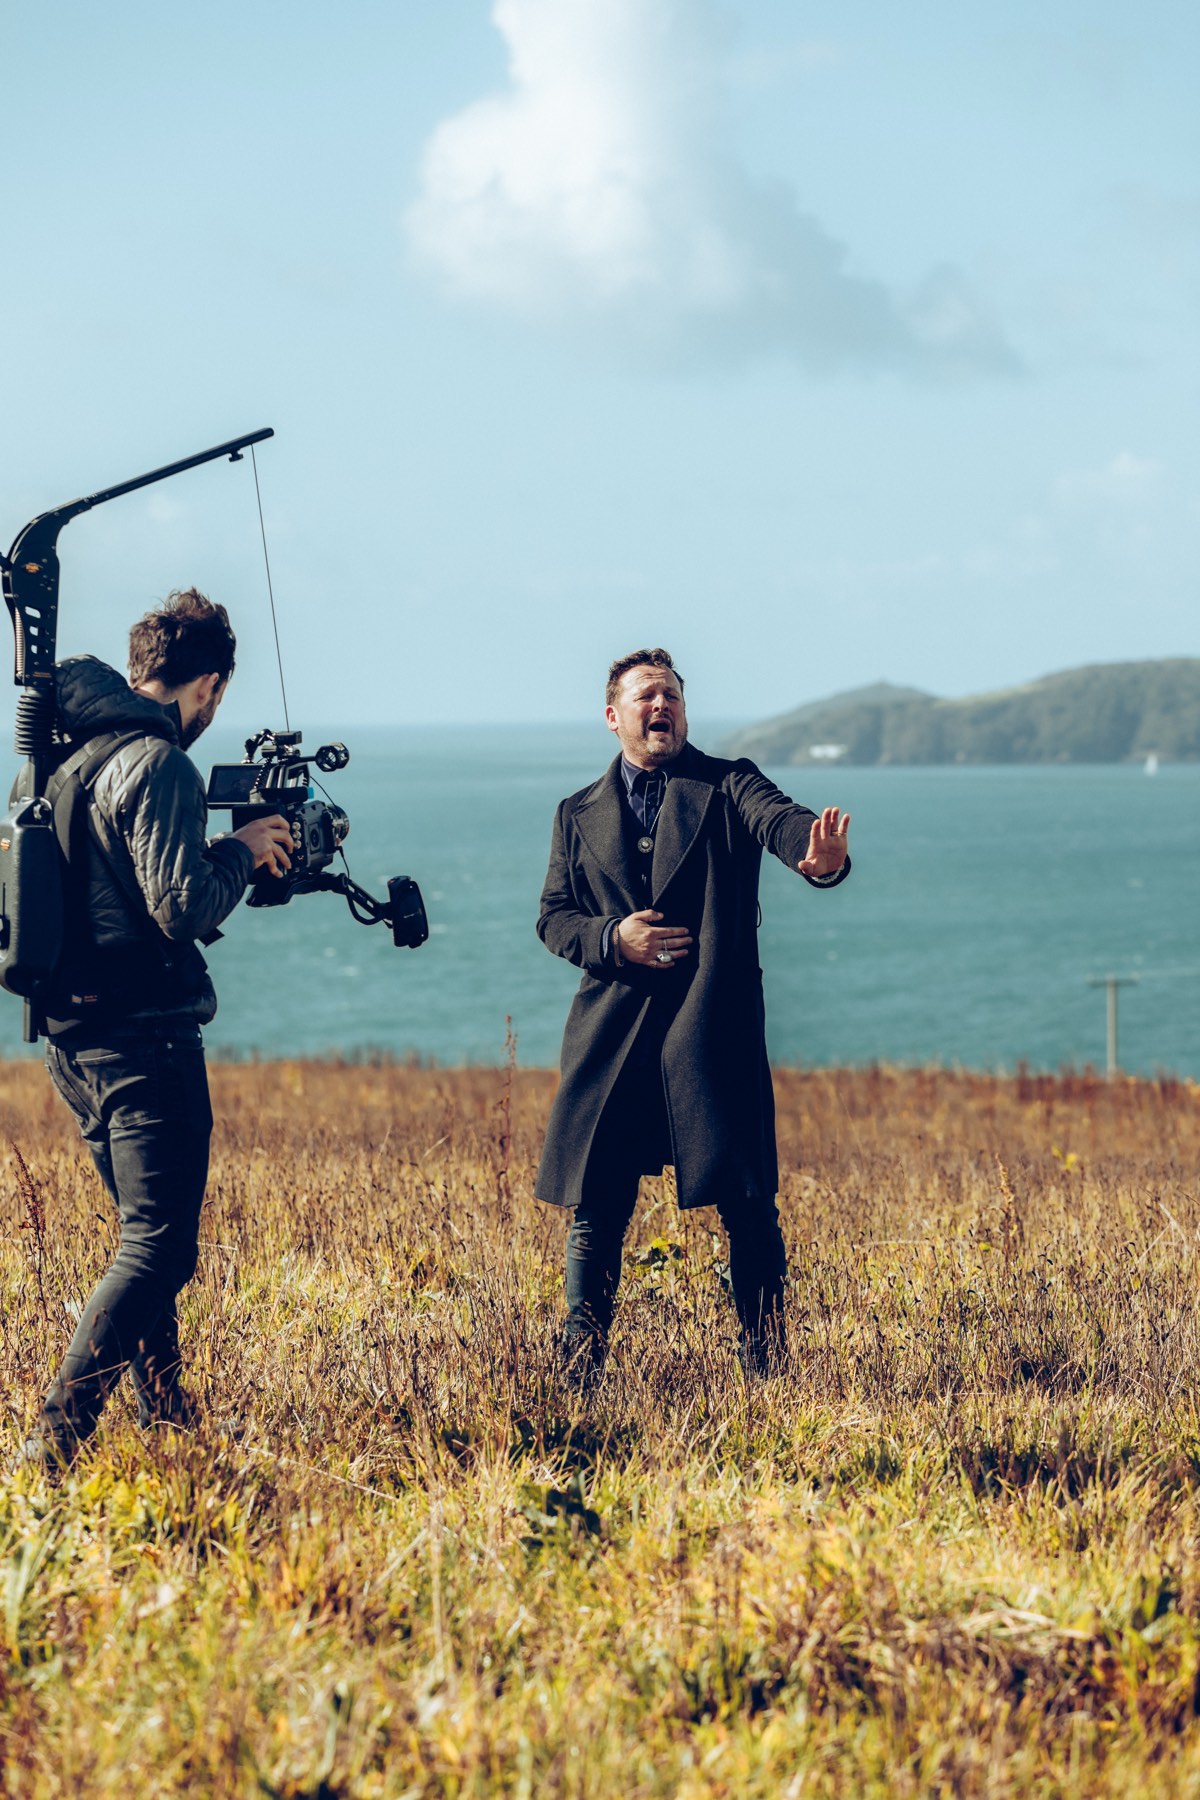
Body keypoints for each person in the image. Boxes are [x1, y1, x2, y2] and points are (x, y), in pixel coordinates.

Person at [22, 589, 293, 1472]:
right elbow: (182, 907)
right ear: (208, 684)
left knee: (149, 1234)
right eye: (219, 696)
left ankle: (170, 1417)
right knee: (159, 1244)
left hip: (72, 1037)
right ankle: (52, 1446)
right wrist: (244, 849)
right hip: (145, 1036)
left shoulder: (53, 759)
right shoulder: (161, 763)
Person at [535, 647, 850, 1383]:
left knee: (748, 1209)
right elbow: (554, 918)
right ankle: (579, 1377)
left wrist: (818, 855)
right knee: (596, 1213)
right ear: (613, 717)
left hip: (711, 1034)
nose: (661, 706)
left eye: (671, 694)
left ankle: (766, 1373)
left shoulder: (728, 783)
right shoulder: (575, 813)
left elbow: (783, 823)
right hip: (611, 1038)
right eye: (645, 695)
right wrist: (614, 939)